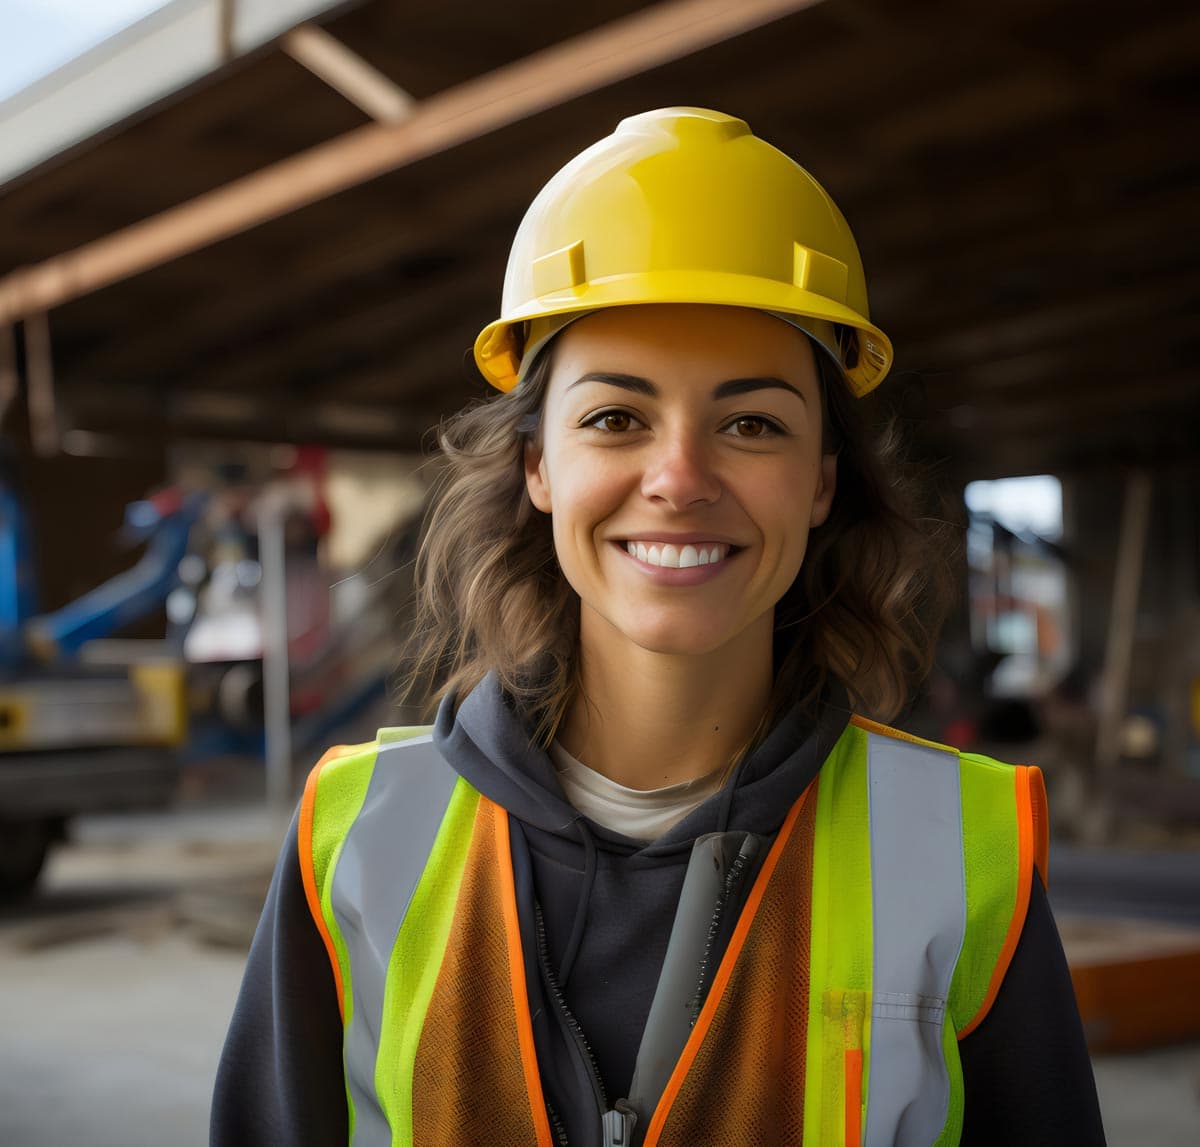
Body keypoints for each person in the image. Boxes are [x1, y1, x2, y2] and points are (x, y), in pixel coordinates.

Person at [212, 107, 1105, 1146]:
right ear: (540, 467)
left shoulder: (964, 847)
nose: (679, 478)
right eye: (615, 418)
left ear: (821, 482)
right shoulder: (353, 840)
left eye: (751, 423)